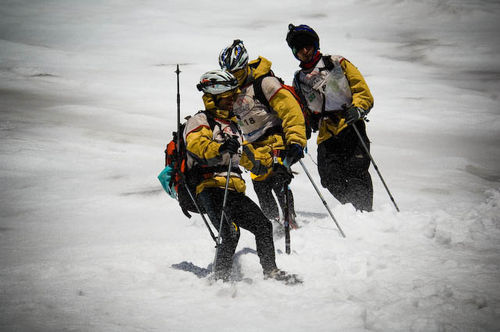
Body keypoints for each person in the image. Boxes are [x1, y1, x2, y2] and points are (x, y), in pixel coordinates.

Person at [185, 69, 300, 284]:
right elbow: (196, 145)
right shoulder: (200, 120)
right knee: (230, 233)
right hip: (210, 188)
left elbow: (252, 159)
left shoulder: (234, 127)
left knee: (263, 226)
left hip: (233, 190)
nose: (233, 101)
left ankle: (271, 272)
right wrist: (219, 148)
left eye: (234, 96)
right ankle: (220, 281)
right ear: (215, 97)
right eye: (228, 97)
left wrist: (276, 168)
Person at [218, 39, 307, 228]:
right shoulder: (230, 93)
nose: (234, 76)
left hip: (275, 140)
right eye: (230, 73)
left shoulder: (265, 83)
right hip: (252, 148)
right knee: (261, 188)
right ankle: (274, 225)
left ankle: (289, 221)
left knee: (278, 180)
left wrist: (296, 141)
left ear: (245, 65)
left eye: (237, 71)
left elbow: (290, 111)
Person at [286, 24, 374, 212]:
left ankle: (364, 213)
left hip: (350, 124)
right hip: (327, 132)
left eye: (308, 45)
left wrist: (358, 108)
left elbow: (361, 90)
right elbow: (303, 112)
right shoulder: (299, 80)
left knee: (356, 169)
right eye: (299, 49)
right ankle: (353, 209)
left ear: (315, 44)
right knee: (329, 177)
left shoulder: (337, 63)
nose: (305, 51)